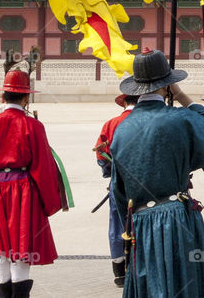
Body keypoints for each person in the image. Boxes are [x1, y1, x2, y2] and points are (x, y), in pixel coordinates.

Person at [110, 49, 204, 298]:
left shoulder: (121, 130)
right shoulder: (181, 119)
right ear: (167, 86)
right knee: (183, 285)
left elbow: (118, 192)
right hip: (176, 219)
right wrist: (181, 95)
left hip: (140, 223)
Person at [0, 70, 64, 298]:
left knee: (1, 245)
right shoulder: (33, 126)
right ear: (25, 99)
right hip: (23, 188)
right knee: (22, 245)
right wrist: (50, 201)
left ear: (3, 98)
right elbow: (43, 166)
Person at [94, 93, 137, 288]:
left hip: (118, 181)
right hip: (144, 183)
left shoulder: (111, 123)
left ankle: (119, 271)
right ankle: (138, 267)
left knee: (117, 222)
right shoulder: (147, 121)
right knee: (141, 220)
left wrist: (110, 173)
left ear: (124, 103)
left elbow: (100, 155)